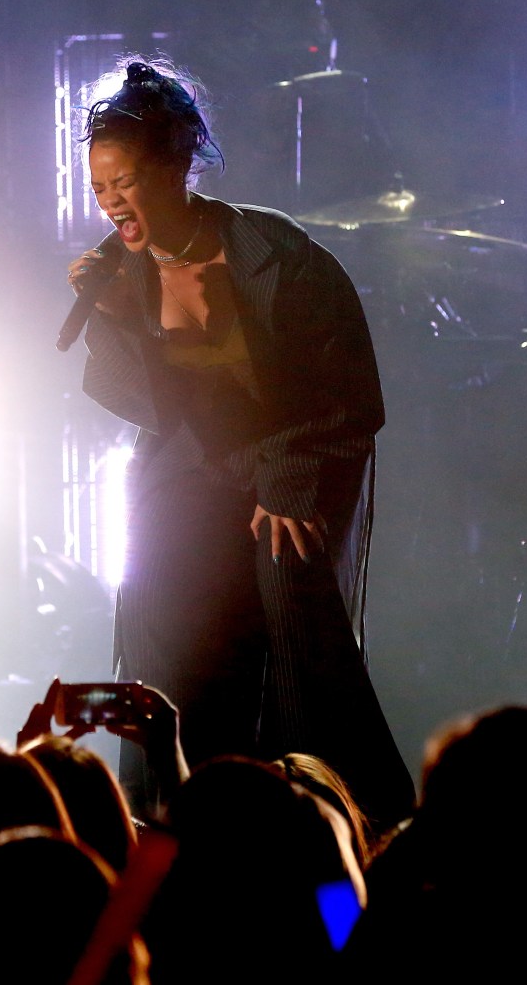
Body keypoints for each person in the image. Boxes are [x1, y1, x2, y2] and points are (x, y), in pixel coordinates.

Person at [66, 58, 413, 828]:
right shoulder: (122, 274)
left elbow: (345, 390)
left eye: (125, 180)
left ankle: (333, 823)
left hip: (291, 455)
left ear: (175, 167)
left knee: (287, 589)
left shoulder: (276, 253)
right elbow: (141, 405)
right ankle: (171, 822)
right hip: (189, 467)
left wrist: (287, 481)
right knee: (163, 599)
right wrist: (115, 316)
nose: (111, 200)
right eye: (99, 186)